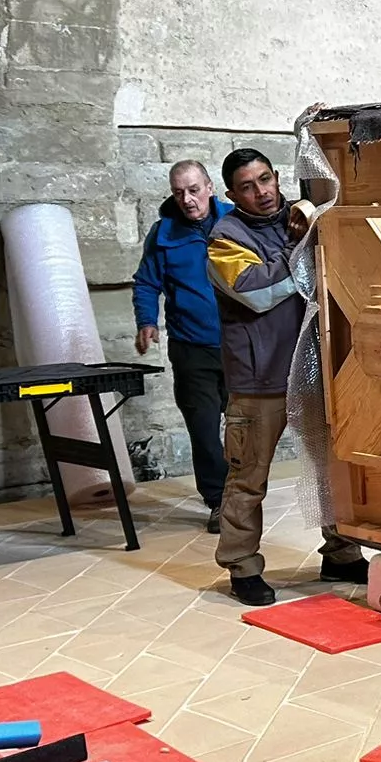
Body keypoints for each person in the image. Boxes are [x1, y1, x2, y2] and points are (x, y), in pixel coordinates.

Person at [206, 147, 371, 606]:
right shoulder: (225, 238)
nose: (260, 192)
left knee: (330, 466)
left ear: (276, 177)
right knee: (248, 476)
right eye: (247, 186)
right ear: (231, 194)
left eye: (265, 180)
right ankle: (241, 566)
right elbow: (259, 293)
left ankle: (342, 551)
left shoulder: (300, 216)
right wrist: (302, 247)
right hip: (258, 380)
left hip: (314, 369)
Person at [133, 160, 233, 533]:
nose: (187, 200)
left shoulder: (236, 222)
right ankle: (218, 500)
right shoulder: (164, 234)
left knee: (245, 426)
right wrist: (146, 322)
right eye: (179, 192)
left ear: (210, 187)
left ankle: (243, 496)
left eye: (193, 190)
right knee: (204, 428)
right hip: (192, 348)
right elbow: (146, 283)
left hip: (239, 345)